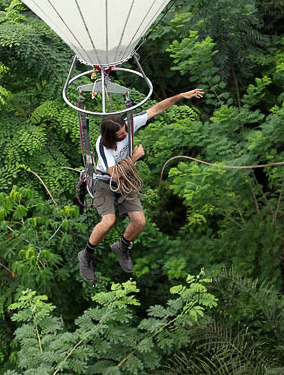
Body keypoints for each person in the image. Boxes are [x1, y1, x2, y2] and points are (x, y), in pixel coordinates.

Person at [78, 88, 204, 282]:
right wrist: (134, 158)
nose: (126, 134)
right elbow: (114, 175)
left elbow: (156, 109)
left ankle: (122, 245)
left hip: (125, 180)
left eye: (125, 129)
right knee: (108, 221)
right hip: (105, 182)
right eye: (121, 134)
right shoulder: (103, 146)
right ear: (111, 136)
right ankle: (86, 255)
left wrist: (179, 96)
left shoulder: (127, 125)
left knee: (140, 221)